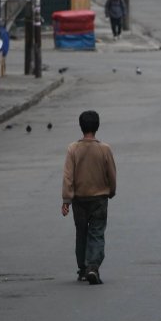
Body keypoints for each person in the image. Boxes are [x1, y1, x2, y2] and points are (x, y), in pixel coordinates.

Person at [62, 110, 117, 285]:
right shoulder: (104, 149)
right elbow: (112, 174)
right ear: (97, 127)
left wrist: (66, 200)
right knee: (97, 232)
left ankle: (82, 268)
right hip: (99, 198)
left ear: (81, 126)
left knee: (81, 232)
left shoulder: (73, 149)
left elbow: (68, 176)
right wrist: (111, 191)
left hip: (79, 199)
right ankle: (93, 266)